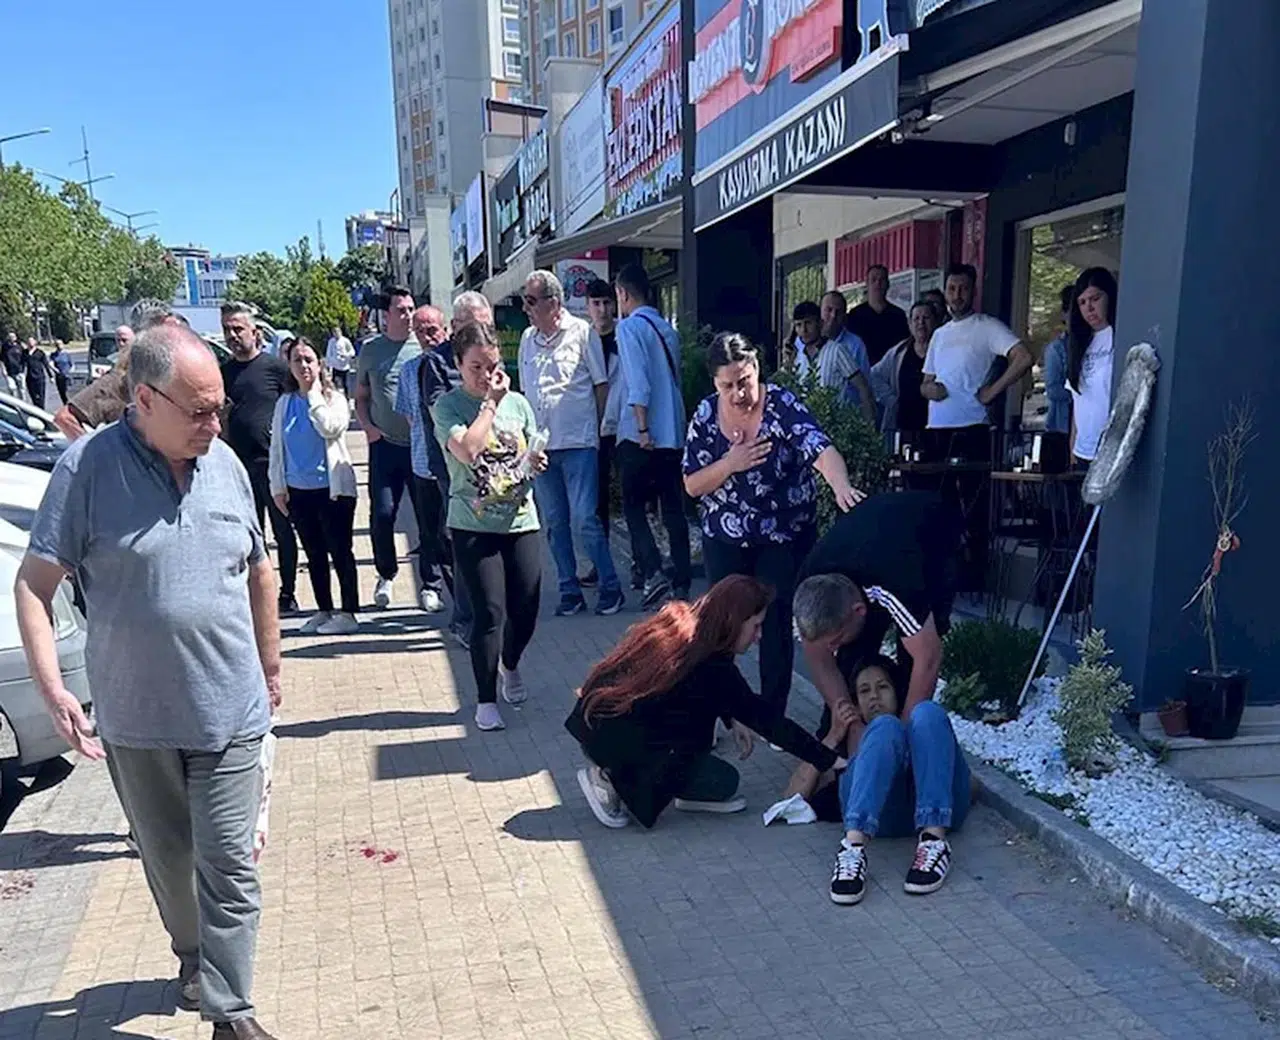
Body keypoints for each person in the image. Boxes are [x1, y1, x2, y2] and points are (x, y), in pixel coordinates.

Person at [14, 324, 280, 1040]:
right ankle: (191, 956)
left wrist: (272, 662)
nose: (213, 424)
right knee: (171, 862)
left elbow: (258, 568)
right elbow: (34, 586)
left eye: (218, 407)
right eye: (198, 410)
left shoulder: (225, 463)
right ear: (142, 400)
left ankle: (232, 1012)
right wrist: (53, 688)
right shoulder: (87, 471)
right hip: (138, 719)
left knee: (229, 865)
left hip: (231, 709)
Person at [566, 576, 848, 829]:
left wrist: (731, 717)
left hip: (595, 722)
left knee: (719, 776)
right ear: (735, 620)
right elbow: (768, 721)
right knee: (718, 777)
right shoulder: (711, 665)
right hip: (614, 739)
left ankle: (652, 780)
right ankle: (608, 780)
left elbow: (714, 696)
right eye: (756, 626)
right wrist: (829, 759)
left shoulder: (685, 624)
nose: (759, 637)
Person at [683, 333, 863, 723]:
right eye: (727, 385)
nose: (737, 394)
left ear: (757, 370)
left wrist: (840, 485)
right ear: (715, 383)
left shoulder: (781, 405)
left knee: (776, 618)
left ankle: (772, 714)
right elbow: (692, 484)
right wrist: (731, 463)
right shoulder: (705, 414)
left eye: (744, 381)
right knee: (722, 624)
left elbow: (819, 448)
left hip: (783, 533)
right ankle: (719, 712)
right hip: (726, 535)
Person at [782, 655, 971, 904]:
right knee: (884, 727)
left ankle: (934, 841)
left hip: (934, 812)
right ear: (857, 705)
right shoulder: (847, 742)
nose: (874, 696)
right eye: (864, 691)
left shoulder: (922, 732)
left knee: (927, 711)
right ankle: (852, 850)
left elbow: (971, 786)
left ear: (897, 693)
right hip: (882, 818)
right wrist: (833, 736)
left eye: (883, 687)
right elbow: (791, 798)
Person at [434, 321, 547, 733]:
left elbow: (531, 446)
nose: (485, 376)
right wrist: (490, 405)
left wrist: (535, 460)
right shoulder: (448, 407)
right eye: (476, 367)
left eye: (492, 366)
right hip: (473, 523)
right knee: (490, 612)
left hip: (521, 518)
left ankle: (510, 664)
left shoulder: (518, 403)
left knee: (528, 608)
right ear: (459, 366)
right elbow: (467, 450)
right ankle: (485, 700)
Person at [793, 490, 963, 750]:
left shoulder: (895, 583)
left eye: (835, 640)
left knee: (909, 667)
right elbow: (820, 660)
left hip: (931, 541)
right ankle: (836, 751)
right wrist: (849, 724)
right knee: (850, 659)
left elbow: (928, 658)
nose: (832, 647)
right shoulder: (810, 585)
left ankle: (911, 748)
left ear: (860, 610)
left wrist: (901, 741)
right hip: (869, 545)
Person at [519, 269, 624, 617]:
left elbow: (601, 384)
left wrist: (595, 430)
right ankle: (569, 589)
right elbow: (525, 392)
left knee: (585, 519)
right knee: (554, 521)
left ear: (554, 302)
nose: (526, 308)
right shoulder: (526, 340)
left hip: (579, 443)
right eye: (525, 301)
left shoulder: (582, 333)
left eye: (532, 301)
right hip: (541, 449)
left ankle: (610, 586)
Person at [268, 338, 359, 636]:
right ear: (289, 366)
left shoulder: (335, 399)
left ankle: (348, 612)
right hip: (298, 491)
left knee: (340, 551)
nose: (304, 366)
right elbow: (277, 449)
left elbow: (330, 428)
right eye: (297, 360)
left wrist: (315, 395)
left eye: (309, 360)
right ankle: (324, 609)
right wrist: (278, 487)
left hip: (332, 490)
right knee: (315, 553)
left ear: (320, 364)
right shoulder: (284, 403)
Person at [614, 263, 690, 607]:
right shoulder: (666, 330)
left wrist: (642, 427)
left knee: (633, 507)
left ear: (623, 293)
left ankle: (654, 573)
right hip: (672, 435)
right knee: (673, 508)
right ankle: (683, 579)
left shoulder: (629, 328)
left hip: (641, 436)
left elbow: (638, 382)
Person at [220, 302, 299, 614]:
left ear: (255, 332)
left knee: (283, 531)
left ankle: (288, 592)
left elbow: (295, 406)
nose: (232, 335)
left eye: (238, 328)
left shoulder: (274, 368)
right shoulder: (223, 373)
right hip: (238, 468)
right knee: (250, 536)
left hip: (273, 465)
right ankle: (257, 594)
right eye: (227, 329)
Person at [921, 263, 1033, 458]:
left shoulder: (987, 326)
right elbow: (925, 382)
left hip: (972, 427)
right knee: (935, 488)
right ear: (945, 292)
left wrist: (992, 391)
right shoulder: (939, 334)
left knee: (971, 488)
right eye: (952, 289)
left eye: (963, 289)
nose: (957, 295)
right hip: (937, 426)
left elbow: (1023, 357)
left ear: (974, 291)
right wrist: (929, 390)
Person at [356, 286, 421, 608]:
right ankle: (386, 574)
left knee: (428, 516)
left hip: (419, 448)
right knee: (383, 514)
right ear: (388, 314)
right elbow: (361, 397)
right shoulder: (371, 350)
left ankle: (431, 581)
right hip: (384, 445)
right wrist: (368, 428)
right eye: (402, 310)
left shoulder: (421, 347)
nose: (408, 316)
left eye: (411, 309)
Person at [395, 304, 453, 615]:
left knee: (452, 530)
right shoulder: (409, 370)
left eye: (432, 329)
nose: (427, 336)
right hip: (421, 461)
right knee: (428, 529)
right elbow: (408, 415)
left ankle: (461, 589)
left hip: (454, 463)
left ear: (444, 329)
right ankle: (430, 585)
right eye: (420, 331)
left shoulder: (452, 364)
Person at [584, 278, 639, 590]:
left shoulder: (625, 335)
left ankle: (639, 563)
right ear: (588, 306)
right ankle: (600, 563)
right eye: (596, 303)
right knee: (598, 501)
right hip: (594, 430)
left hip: (625, 426)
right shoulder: (584, 339)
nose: (603, 310)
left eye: (607, 302)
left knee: (631, 496)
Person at [54, 323, 141, 440]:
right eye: (118, 340)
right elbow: (64, 417)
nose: (121, 344)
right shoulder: (115, 378)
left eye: (124, 340)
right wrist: (93, 451)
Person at [1067, 267, 1118, 467]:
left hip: (1111, 449)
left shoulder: (1121, 335)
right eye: (1082, 302)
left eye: (1095, 299)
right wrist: (1072, 448)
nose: (1089, 308)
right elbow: (1077, 400)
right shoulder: (1080, 344)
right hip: (1083, 451)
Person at [870, 299, 938, 436]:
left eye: (926, 318)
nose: (921, 323)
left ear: (935, 322)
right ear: (909, 324)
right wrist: (892, 401)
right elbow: (873, 375)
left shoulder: (942, 351)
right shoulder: (898, 352)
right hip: (903, 425)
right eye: (916, 318)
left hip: (935, 424)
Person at [846, 264, 911, 365]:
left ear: (888, 284)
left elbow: (903, 346)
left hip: (890, 370)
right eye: (874, 279)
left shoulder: (898, 315)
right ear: (867, 284)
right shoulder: (855, 315)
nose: (878, 283)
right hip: (862, 368)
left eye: (882, 280)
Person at [1042, 284, 1076, 436]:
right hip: (1062, 427)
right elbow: (1053, 390)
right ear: (1064, 314)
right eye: (1072, 311)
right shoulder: (1056, 349)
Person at [23, 337, 55, 410]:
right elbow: (21, 363)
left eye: (32, 341)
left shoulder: (40, 352)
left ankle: (42, 411)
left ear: (35, 342)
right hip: (30, 378)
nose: (30, 343)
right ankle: (36, 411)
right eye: (28, 341)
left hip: (39, 377)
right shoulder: (25, 353)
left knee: (41, 397)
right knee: (33, 397)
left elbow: (46, 364)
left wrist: (51, 376)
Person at [326, 324, 356, 397]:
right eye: (334, 332)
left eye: (337, 332)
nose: (336, 333)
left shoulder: (345, 341)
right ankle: (334, 397)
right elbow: (328, 353)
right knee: (333, 383)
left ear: (340, 332)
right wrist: (329, 364)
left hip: (344, 366)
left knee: (345, 384)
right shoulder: (331, 342)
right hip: (335, 366)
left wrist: (346, 355)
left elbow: (352, 352)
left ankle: (347, 398)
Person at [51, 340, 73, 405]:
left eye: (60, 344)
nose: (59, 346)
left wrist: (70, 372)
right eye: (57, 344)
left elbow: (72, 365)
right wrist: (55, 369)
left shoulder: (66, 354)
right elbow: (51, 363)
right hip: (59, 376)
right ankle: (65, 405)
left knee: (68, 392)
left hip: (67, 376)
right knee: (62, 392)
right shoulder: (54, 355)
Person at [2, 331, 23, 398]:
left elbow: (25, 357)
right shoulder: (5, 347)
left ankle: (23, 405)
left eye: (13, 337)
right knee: (12, 388)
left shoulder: (19, 346)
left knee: (22, 390)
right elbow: (1, 360)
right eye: (10, 337)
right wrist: (3, 369)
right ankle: (14, 406)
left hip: (19, 371)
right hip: (9, 372)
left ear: (16, 337)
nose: (12, 338)